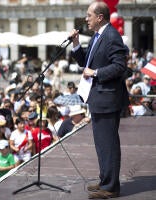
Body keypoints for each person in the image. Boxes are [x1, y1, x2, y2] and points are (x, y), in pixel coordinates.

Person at [69, 1, 129, 199]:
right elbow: (84, 62)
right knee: (102, 144)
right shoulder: (97, 36)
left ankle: (111, 187)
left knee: (108, 144)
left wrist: (95, 73)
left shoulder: (112, 36)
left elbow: (120, 66)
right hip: (98, 98)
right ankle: (105, 180)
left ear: (99, 17)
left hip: (108, 98)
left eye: (89, 15)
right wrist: (76, 43)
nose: (86, 19)